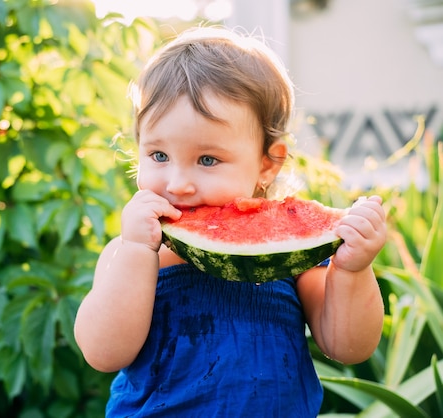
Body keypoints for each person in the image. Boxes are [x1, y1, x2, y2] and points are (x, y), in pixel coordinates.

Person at [74, 26, 386, 417]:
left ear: (267, 163)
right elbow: (103, 353)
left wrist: (354, 271)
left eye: (207, 160)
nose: (178, 183)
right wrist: (137, 252)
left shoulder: (294, 260)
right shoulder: (126, 255)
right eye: (157, 155)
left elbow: (349, 347)